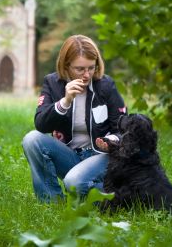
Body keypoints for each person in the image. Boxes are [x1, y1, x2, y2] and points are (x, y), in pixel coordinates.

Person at [22, 34, 126, 202]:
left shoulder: (106, 85)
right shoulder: (52, 82)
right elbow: (41, 125)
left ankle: (118, 196)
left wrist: (110, 141)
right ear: (66, 66)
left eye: (91, 68)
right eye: (80, 69)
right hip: (70, 155)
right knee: (31, 139)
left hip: (99, 157)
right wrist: (65, 101)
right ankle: (52, 202)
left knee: (74, 183)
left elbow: (124, 129)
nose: (86, 75)